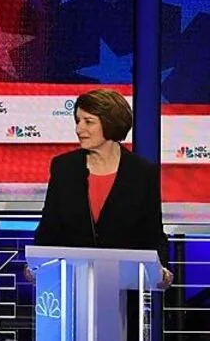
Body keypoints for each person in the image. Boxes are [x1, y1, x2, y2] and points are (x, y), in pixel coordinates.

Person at [32, 88, 172, 334]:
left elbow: (152, 231)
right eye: (77, 121)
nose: (79, 129)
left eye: (88, 122)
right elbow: (50, 225)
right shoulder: (64, 167)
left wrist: (163, 268)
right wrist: (36, 264)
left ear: (110, 123)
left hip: (121, 295)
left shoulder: (142, 173)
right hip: (69, 290)